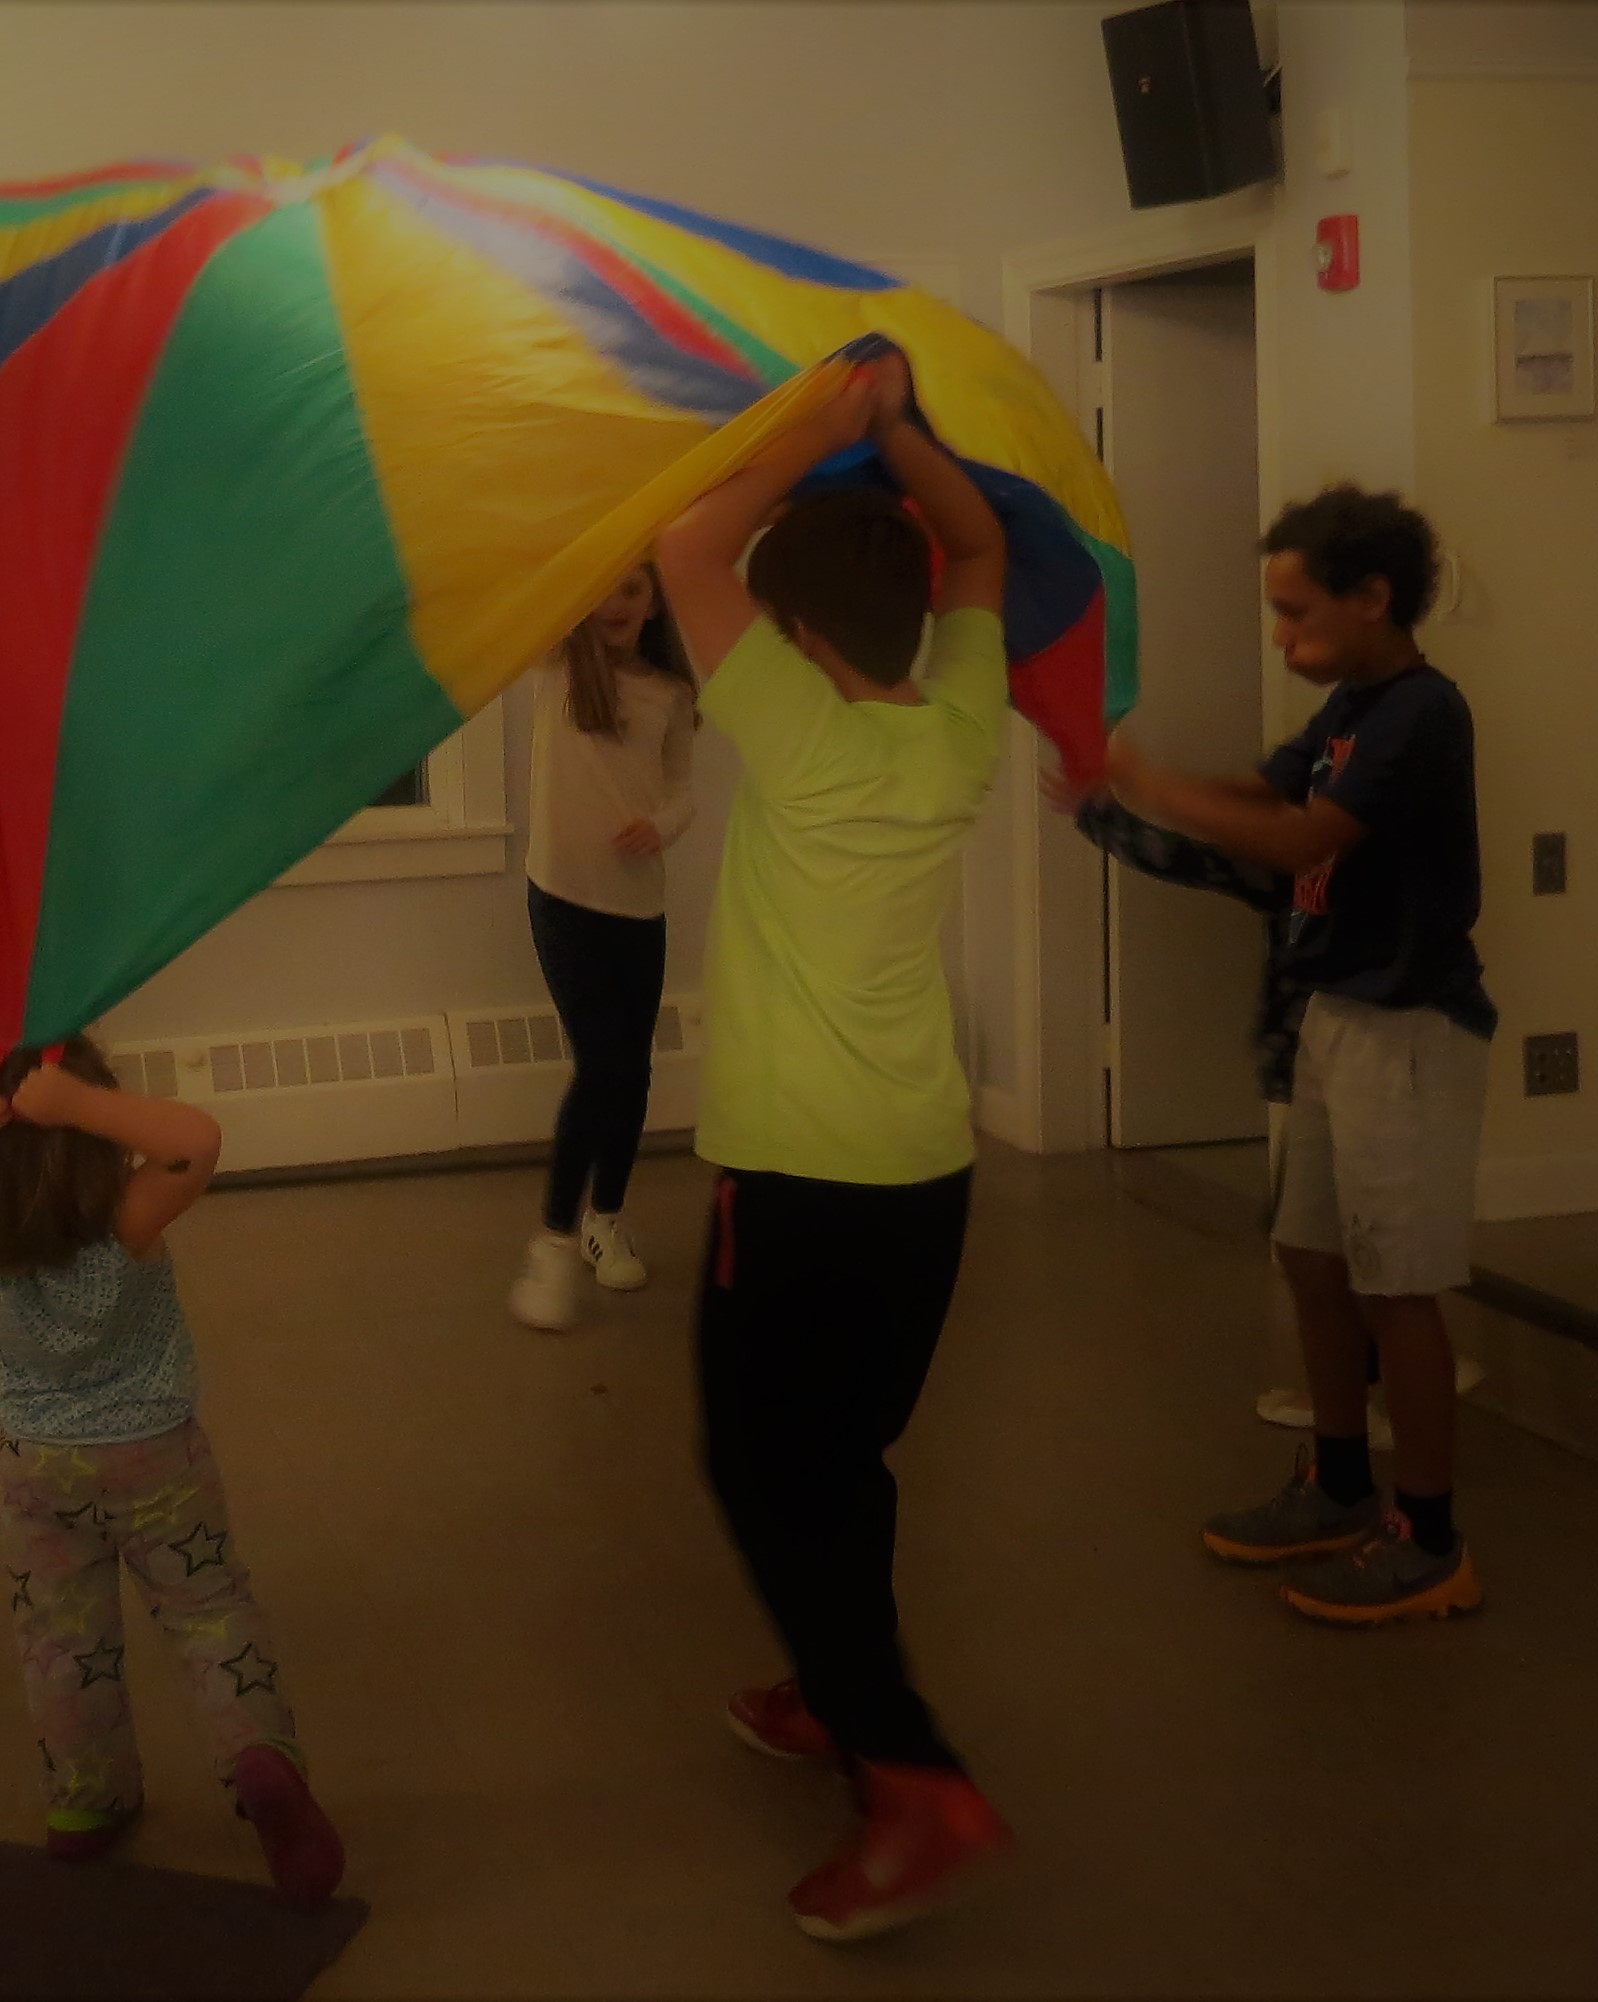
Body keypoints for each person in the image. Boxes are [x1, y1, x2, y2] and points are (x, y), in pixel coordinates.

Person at [653, 354, 1014, 1941]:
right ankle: (827, 1686)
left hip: (794, 1182)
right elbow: (984, 548)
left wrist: (823, 426)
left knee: (761, 1467)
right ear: (916, 623)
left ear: (790, 641)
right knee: (840, 1458)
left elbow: (679, 550)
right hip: (920, 1180)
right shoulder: (955, 728)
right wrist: (897, 436)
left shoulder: (794, 735)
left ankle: (909, 1771)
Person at [1101, 485, 1494, 1626]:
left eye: (1296, 611)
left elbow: (1300, 837)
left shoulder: (1423, 712)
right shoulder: (1351, 708)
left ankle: (1430, 1541)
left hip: (1408, 1027)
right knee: (1315, 1265)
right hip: (1337, 1011)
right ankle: (1336, 1481)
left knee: (1398, 1288)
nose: (1281, 637)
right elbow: (1268, 789)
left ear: (1372, 598)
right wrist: (1132, 776)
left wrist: (1157, 789)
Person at [0, 1042, 345, 1907]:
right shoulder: (130, 1216)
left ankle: (85, 1805)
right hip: (159, 1456)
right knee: (210, 1613)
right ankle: (258, 1758)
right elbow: (196, 1137)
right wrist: (77, 1104)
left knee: (62, 1641)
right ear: (91, 1139)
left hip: (37, 1469)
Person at [507, 564, 698, 1331]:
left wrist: (663, 826)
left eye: (632, 589)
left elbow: (682, 789)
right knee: (603, 1066)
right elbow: (538, 581)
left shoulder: (670, 692)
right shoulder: (556, 670)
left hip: (637, 906)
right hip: (561, 901)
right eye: (604, 587)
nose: (617, 604)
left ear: (655, 600)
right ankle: (552, 1240)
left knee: (633, 1070)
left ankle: (604, 1218)